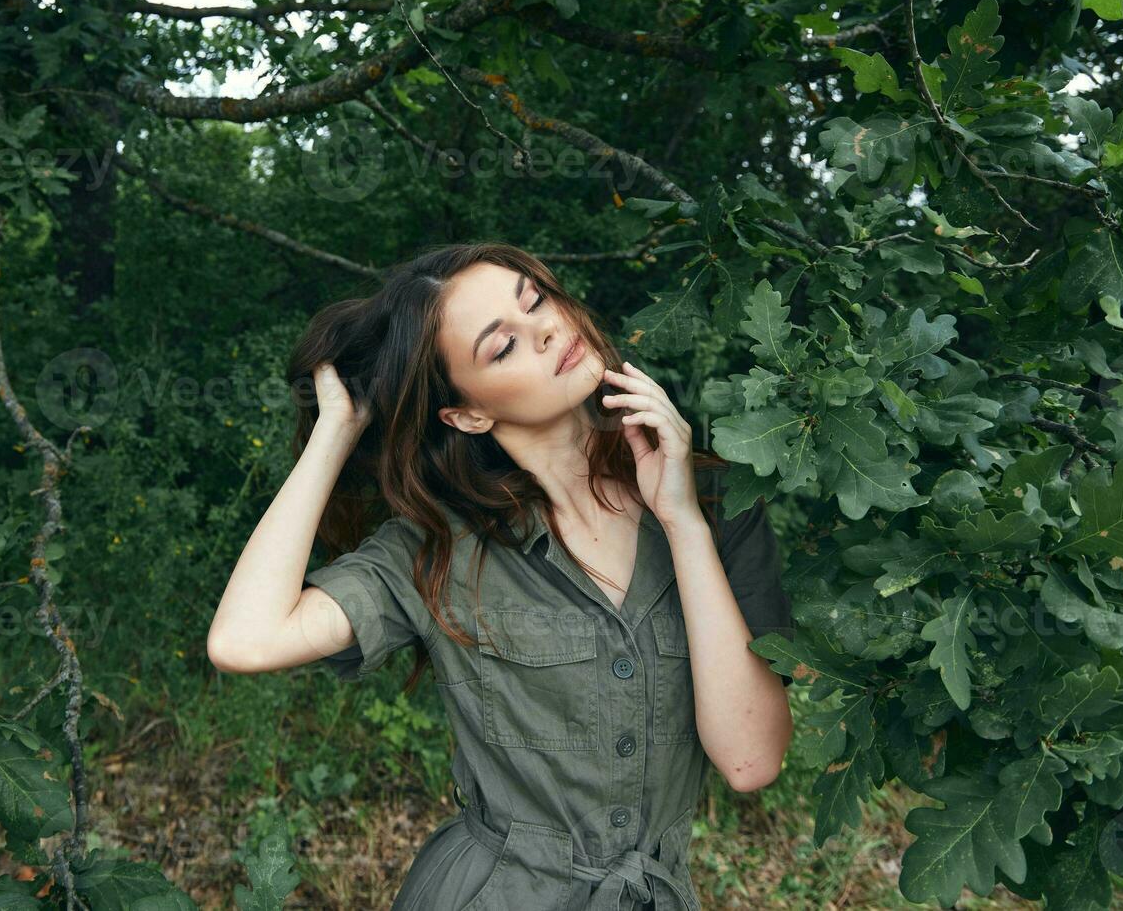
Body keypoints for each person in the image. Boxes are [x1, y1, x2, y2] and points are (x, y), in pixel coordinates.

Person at [207, 242, 795, 911]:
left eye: (536, 301)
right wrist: (336, 432)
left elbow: (751, 760)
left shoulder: (719, 506)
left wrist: (683, 523)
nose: (545, 330)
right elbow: (243, 640)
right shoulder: (437, 551)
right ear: (467, 415)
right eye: (501, 347)